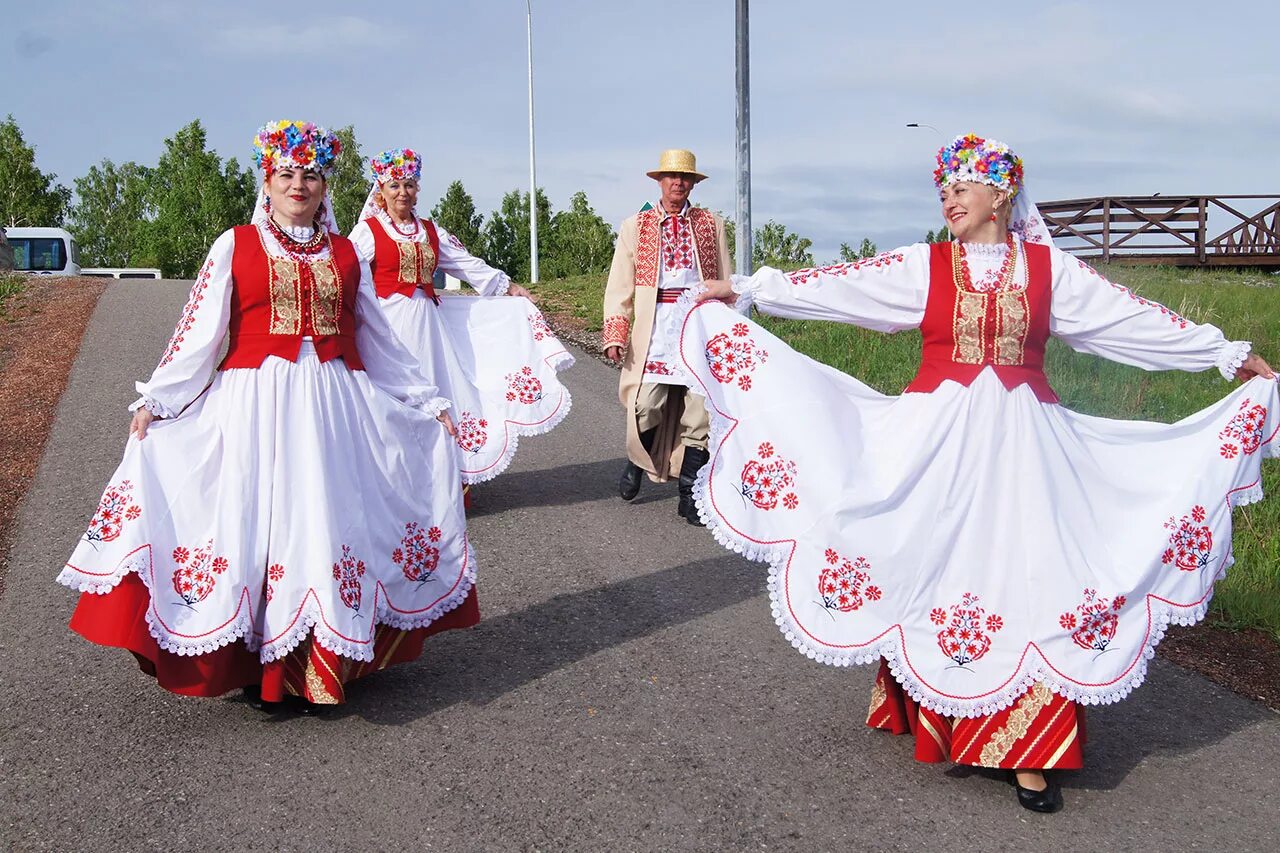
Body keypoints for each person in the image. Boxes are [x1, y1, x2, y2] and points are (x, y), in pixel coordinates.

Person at [690, 134, 1277, 812]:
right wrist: (753, 289)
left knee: (1033, 573)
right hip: (939, 441)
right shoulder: (928, 265)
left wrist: (1225, 353)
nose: (949, 198)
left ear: (1000, 193)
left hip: (1028, 447)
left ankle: (1030, 750)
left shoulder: (1051, 273)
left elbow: (1133, 320)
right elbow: (843, 286)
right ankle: (924, 705)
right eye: (944, 188)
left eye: (961, 186)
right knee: (936, 559)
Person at [59, 121, 478, 712]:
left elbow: (379, 340)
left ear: (326, 185)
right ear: (267, 180)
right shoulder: (236, 244)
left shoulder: (345, 253)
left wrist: (427, 402)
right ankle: (258, 660)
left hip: (333, 408)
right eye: (287, 174)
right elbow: (199, 335)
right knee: (252, 520)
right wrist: (157, 400)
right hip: (252, 405)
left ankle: (320, 663)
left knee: (322, 522)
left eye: (310, 175)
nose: (299, 185)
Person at [348, 148, 572, 488]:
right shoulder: (368, 232)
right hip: (387, 330)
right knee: (393, 400)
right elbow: (347, 272)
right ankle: (392, 485)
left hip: (427, 329)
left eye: (409, 185)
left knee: (437, 392)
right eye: (394, 186)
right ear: (381, 190)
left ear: (418, 189)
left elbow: (465, 264)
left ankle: (440, 482)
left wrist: (506, 286)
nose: (402, 193)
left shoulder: (429, 231)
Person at [602, 149, 733, 524]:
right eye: (672, 177)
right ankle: (636, 461)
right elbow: (619, 286)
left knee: (700, 412)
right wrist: (616, 331)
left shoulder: (712, 224)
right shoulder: (636, 225)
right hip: (655, 325)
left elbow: (725, 279)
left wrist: (728, 331)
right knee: (646, 404)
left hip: (699, 323)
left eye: (686, 177)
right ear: (660, 181)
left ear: (693, 183)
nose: (679, 183)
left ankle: (689, 495)